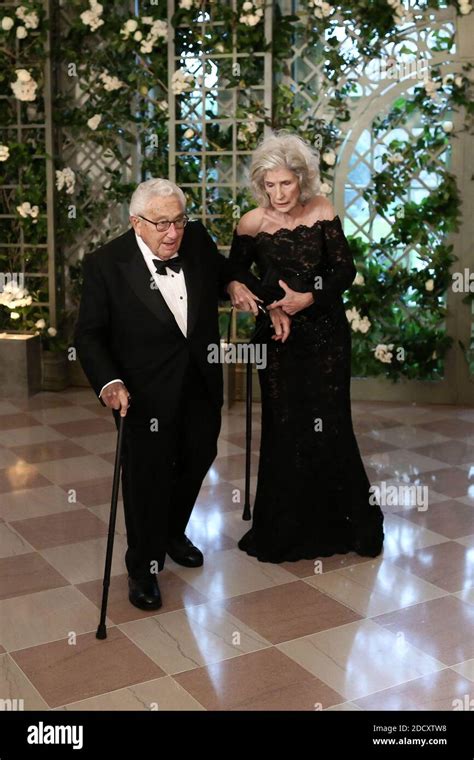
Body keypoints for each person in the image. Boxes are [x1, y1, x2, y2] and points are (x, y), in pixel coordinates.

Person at [74, 178, 288, 610]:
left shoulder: (195, 241)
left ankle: (172, 532)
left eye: (179, 221)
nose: (173, 233)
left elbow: (223, 268)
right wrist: (109, 382)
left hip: (200, 380)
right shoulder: (105, 264)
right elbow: (90, 336)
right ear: (136, 223)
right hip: (142, 392)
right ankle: (143, 568)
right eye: (161, 224)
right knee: (146, 479)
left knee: (198, 456)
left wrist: (233, 284)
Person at [227, 131, 384, 563]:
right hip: (279, 342)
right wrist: (265, 308)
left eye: (286, 184)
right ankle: (286, 531)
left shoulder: (322, 210)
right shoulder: (251, 223)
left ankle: (347, 525)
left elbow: (344, 271)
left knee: (331, 423)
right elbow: (234, 275)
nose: (278, 194)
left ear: (302, 180)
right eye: (270, 185)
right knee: (285, 428)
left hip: (327, 338)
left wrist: (307, 299)